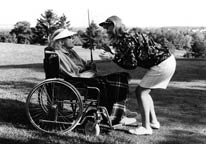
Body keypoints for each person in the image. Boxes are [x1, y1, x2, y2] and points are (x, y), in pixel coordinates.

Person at [99, 16, 176, 135]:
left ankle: (146, 128)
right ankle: (153, 122)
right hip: (167, 60)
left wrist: (113, 57)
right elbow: (129, 55)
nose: (106, 30)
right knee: (145, 91)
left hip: (162, 64)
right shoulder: (128, 36)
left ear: (115, 26)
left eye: (107, 27)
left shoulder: (126, 40)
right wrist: (113, 54)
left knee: (140, 92)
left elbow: (131, 64)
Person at [46, 28, 137, 125]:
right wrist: (85, 72)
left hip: (85, 79)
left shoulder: (71, 52)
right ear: (62, 41)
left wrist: (89, 66)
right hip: (77, 82)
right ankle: (117, 116)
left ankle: (120, 111)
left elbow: (82, 65)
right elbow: (71, 73)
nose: (73, 39)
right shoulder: (58, 55)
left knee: (121, 76)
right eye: (70, 37)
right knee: (117, 80)